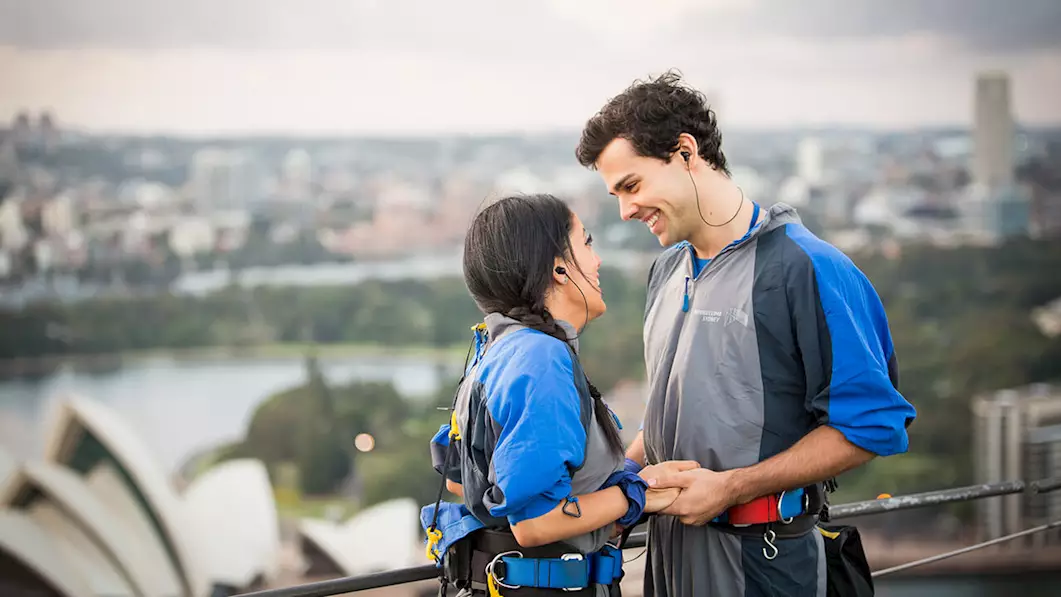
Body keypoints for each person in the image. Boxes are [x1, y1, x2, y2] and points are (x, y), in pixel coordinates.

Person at [574, 71, 918, 596]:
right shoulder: (667, 270)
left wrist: (731, 486)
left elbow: (872, 426)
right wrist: (621, 477)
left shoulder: (807, 267)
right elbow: (677, 410)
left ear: (685, 152)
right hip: (670, 554)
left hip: (765, 558)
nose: (624, 210)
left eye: (632, 185)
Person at [422, 193, 686, 596]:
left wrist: (639, 459)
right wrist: (643, 495)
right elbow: (536, 523)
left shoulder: (501, 349)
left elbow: (469, 485)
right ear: (559, 268)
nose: (597, 261)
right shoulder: (540, 359)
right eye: (588, 243)